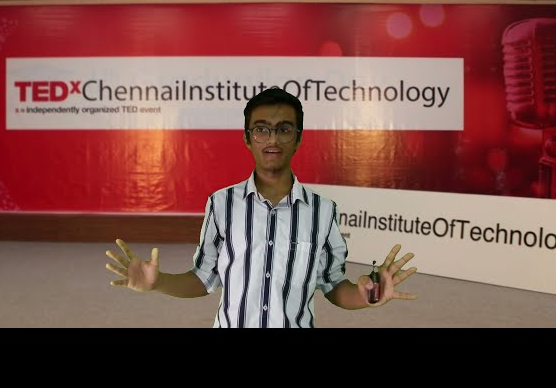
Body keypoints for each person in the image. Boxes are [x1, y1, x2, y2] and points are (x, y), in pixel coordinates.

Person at [105, 87, 417, 327]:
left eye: (284, 129)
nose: (272, 139)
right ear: (247, 138)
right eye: (262, 129)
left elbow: (335, 286)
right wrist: (158, 282)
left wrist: (365, 295)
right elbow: (203, 279)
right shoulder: (222, 204)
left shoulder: (323, 211)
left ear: (298, 138)